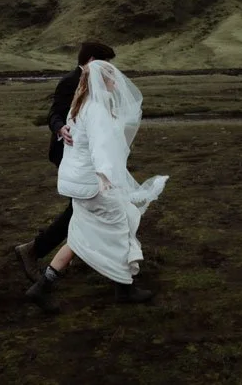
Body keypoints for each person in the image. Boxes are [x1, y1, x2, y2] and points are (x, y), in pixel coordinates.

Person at [25, 60, 168, 313]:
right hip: (94, 184)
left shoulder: (79, 105)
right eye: (112, 77)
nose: (117, 82)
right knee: (121, 226)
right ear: (101, 81)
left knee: (80, 235)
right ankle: (124, 288)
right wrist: (104, 175)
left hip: (77, 183)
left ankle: (42, 286)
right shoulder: (96, 110)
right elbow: (99, 147)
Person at [14, 41, 116, 283]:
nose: (109, 68)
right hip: (69, 154)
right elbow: (54, 113)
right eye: (106, 62)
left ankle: (74, 255)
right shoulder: (69, 81)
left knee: (85, 208)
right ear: (92, 61)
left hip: (89, 156)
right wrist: (60, 128)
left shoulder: (96, 81)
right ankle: (34, 250)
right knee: (81, 209)